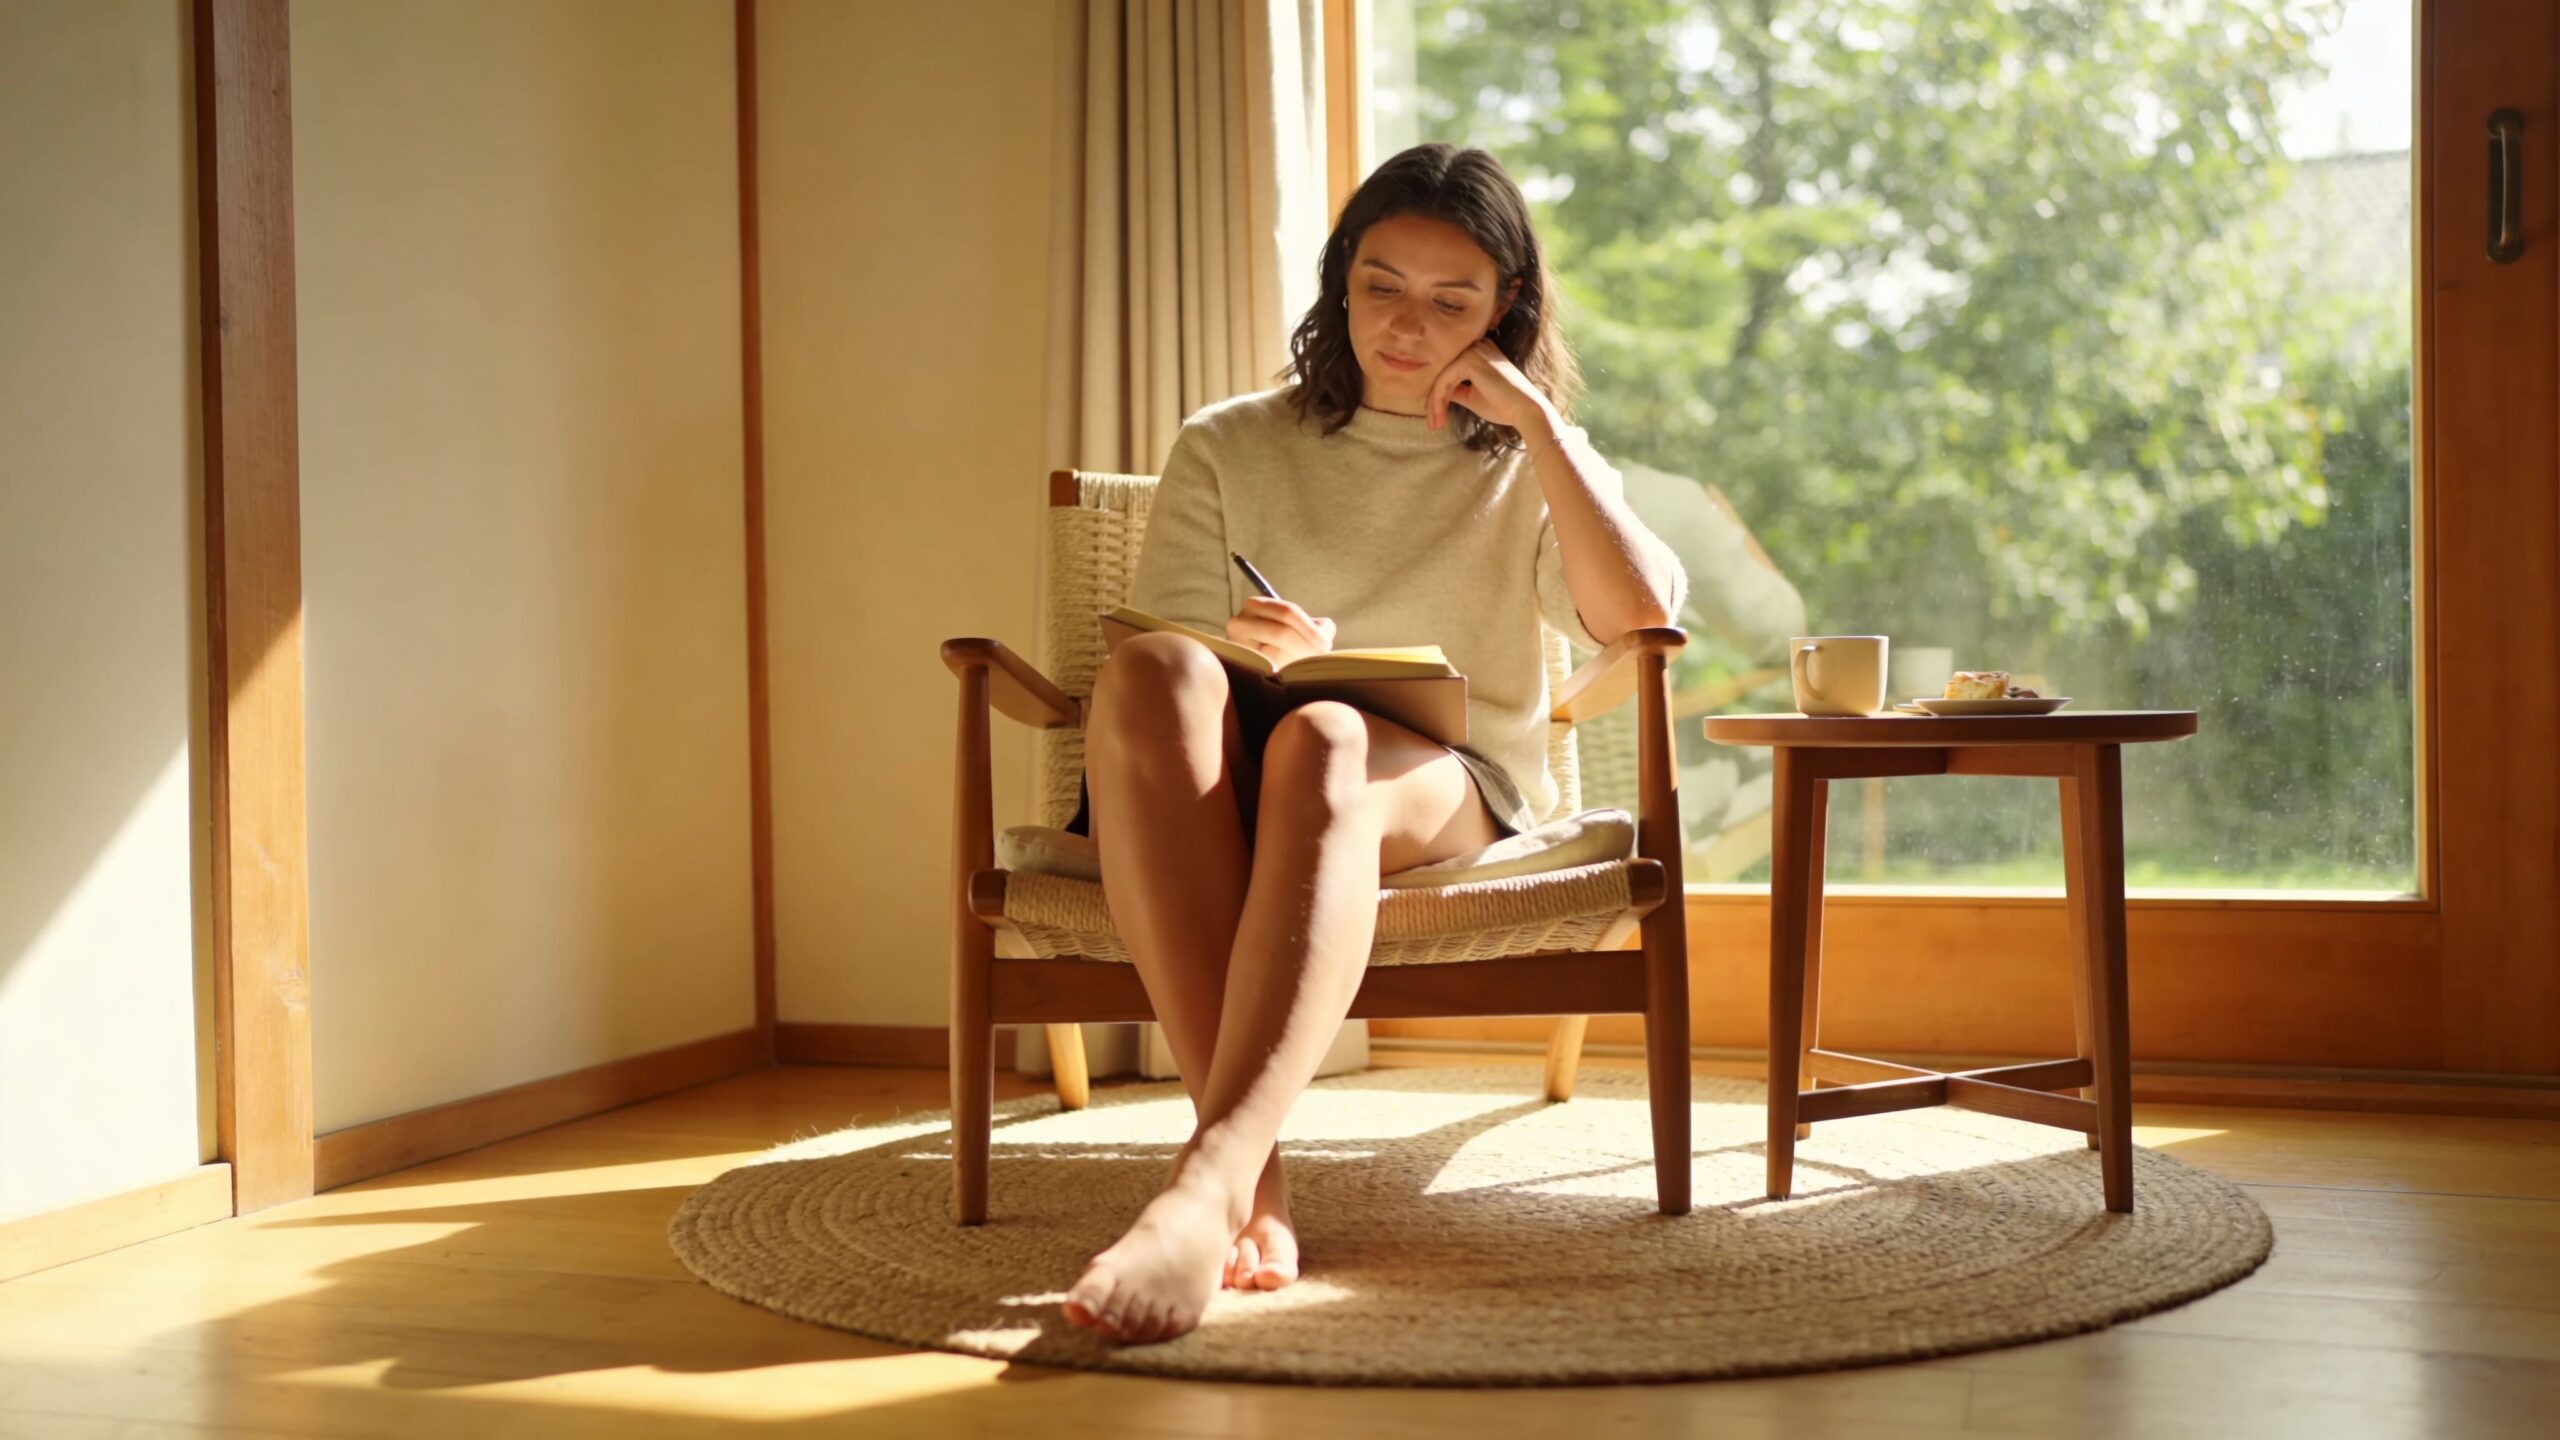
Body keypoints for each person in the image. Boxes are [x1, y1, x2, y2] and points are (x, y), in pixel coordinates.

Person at [1059, 143, 1689, 1345]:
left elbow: (1638, 620)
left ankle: (1209, 1183)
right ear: (1340, 278)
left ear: (1505, 307)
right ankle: (1253, 1183)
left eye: (1451, 300)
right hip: (1244, 760)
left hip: (1447, 785)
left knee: (1330, 740)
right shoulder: (1229, 442)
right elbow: (1171, 658)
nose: (1407, 326)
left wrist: (1546, 430)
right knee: (1158, 671)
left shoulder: (1524, 462)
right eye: (1382, 285)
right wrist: (1244, 641)